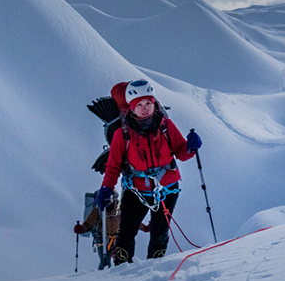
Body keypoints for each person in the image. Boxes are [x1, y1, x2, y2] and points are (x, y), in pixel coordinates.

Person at [95, 79, 202, 264]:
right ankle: (122, 272)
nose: (145, 108)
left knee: (160, 231)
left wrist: (190, 148)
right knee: (127, 232)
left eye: (148, 104)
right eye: (140, 105)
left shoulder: (166, 126)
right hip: (136, 190)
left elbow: (180, 152)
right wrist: (106, 188)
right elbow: (113, 166)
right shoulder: (122, 134)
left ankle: (154, 267)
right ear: (131, 107)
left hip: (167, 188)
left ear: (154, 104)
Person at [74, 189, 120, 269]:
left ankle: (113, 278)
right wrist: (81, 229)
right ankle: (103, 278)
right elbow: (89, 223)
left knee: (120, 261)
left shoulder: (120, 207)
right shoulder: (98, 209)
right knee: (105, 261)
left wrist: (144, 228)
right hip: (102, 238)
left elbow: (130, 221)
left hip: (116, 238)